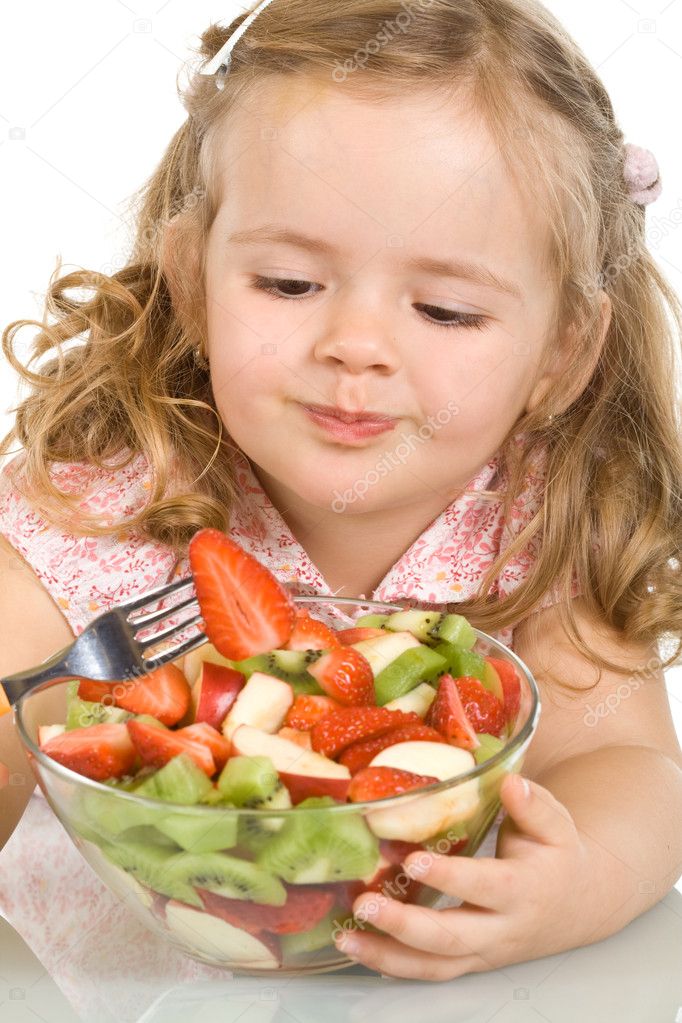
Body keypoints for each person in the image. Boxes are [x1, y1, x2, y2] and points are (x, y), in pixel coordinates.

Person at [0, 0, 680, 1009]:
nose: (355, 345)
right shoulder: (98, 510)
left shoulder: (534, 520)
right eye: (286, 284)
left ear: (563, 351)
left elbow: (625, 763)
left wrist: (580, 885)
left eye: (445, 308)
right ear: (192, 283)